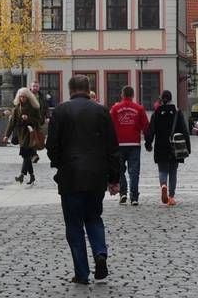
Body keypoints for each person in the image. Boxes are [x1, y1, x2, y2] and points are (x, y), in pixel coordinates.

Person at [46, 75, 120, 285]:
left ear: (70, 90)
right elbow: (112, 148)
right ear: (89, 89)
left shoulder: (60, 111)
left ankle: (81, 273)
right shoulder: (102, 111)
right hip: (96, 176)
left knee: (74, 224)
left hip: (70, 176)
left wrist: (59, 162)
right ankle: (100, 253)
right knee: (94, 218)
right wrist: (114, 178)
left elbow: (52, 145)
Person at [145, 90, 190, 206]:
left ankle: (163, 185)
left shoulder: (157, 112)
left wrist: (148, 143)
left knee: (162, 170)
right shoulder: (177, 112)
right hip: (175, 146)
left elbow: (151, 130)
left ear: (161, 99)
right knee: (173, 171)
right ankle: (171, 197)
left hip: (161, 146)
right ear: (171, 99)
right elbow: (184, 130)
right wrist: (187, 147)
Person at [109, 86, 149, 206]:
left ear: (122, 95)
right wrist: (148, 141)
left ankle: (123, 193)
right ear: (133, 95)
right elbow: (146, 126)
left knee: (120, 170)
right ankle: (134, 197)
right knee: (134, 171)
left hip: (119, 144)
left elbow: (109, 126)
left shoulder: (115, 109)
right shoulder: (139, 108)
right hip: (134, 143)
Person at [4, 87, 43, 185]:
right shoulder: (17, 108)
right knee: (27, 155)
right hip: (21, 133)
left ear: (28, 97)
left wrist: (28, 118)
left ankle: (21, 175)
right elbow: (12, 123)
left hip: (30, 133)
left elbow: (39, 120)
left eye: (24, 97)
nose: (22, 99)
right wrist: (6, 135)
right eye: (20, 97)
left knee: (26, 154)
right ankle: (32, 176)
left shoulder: (34, 107)